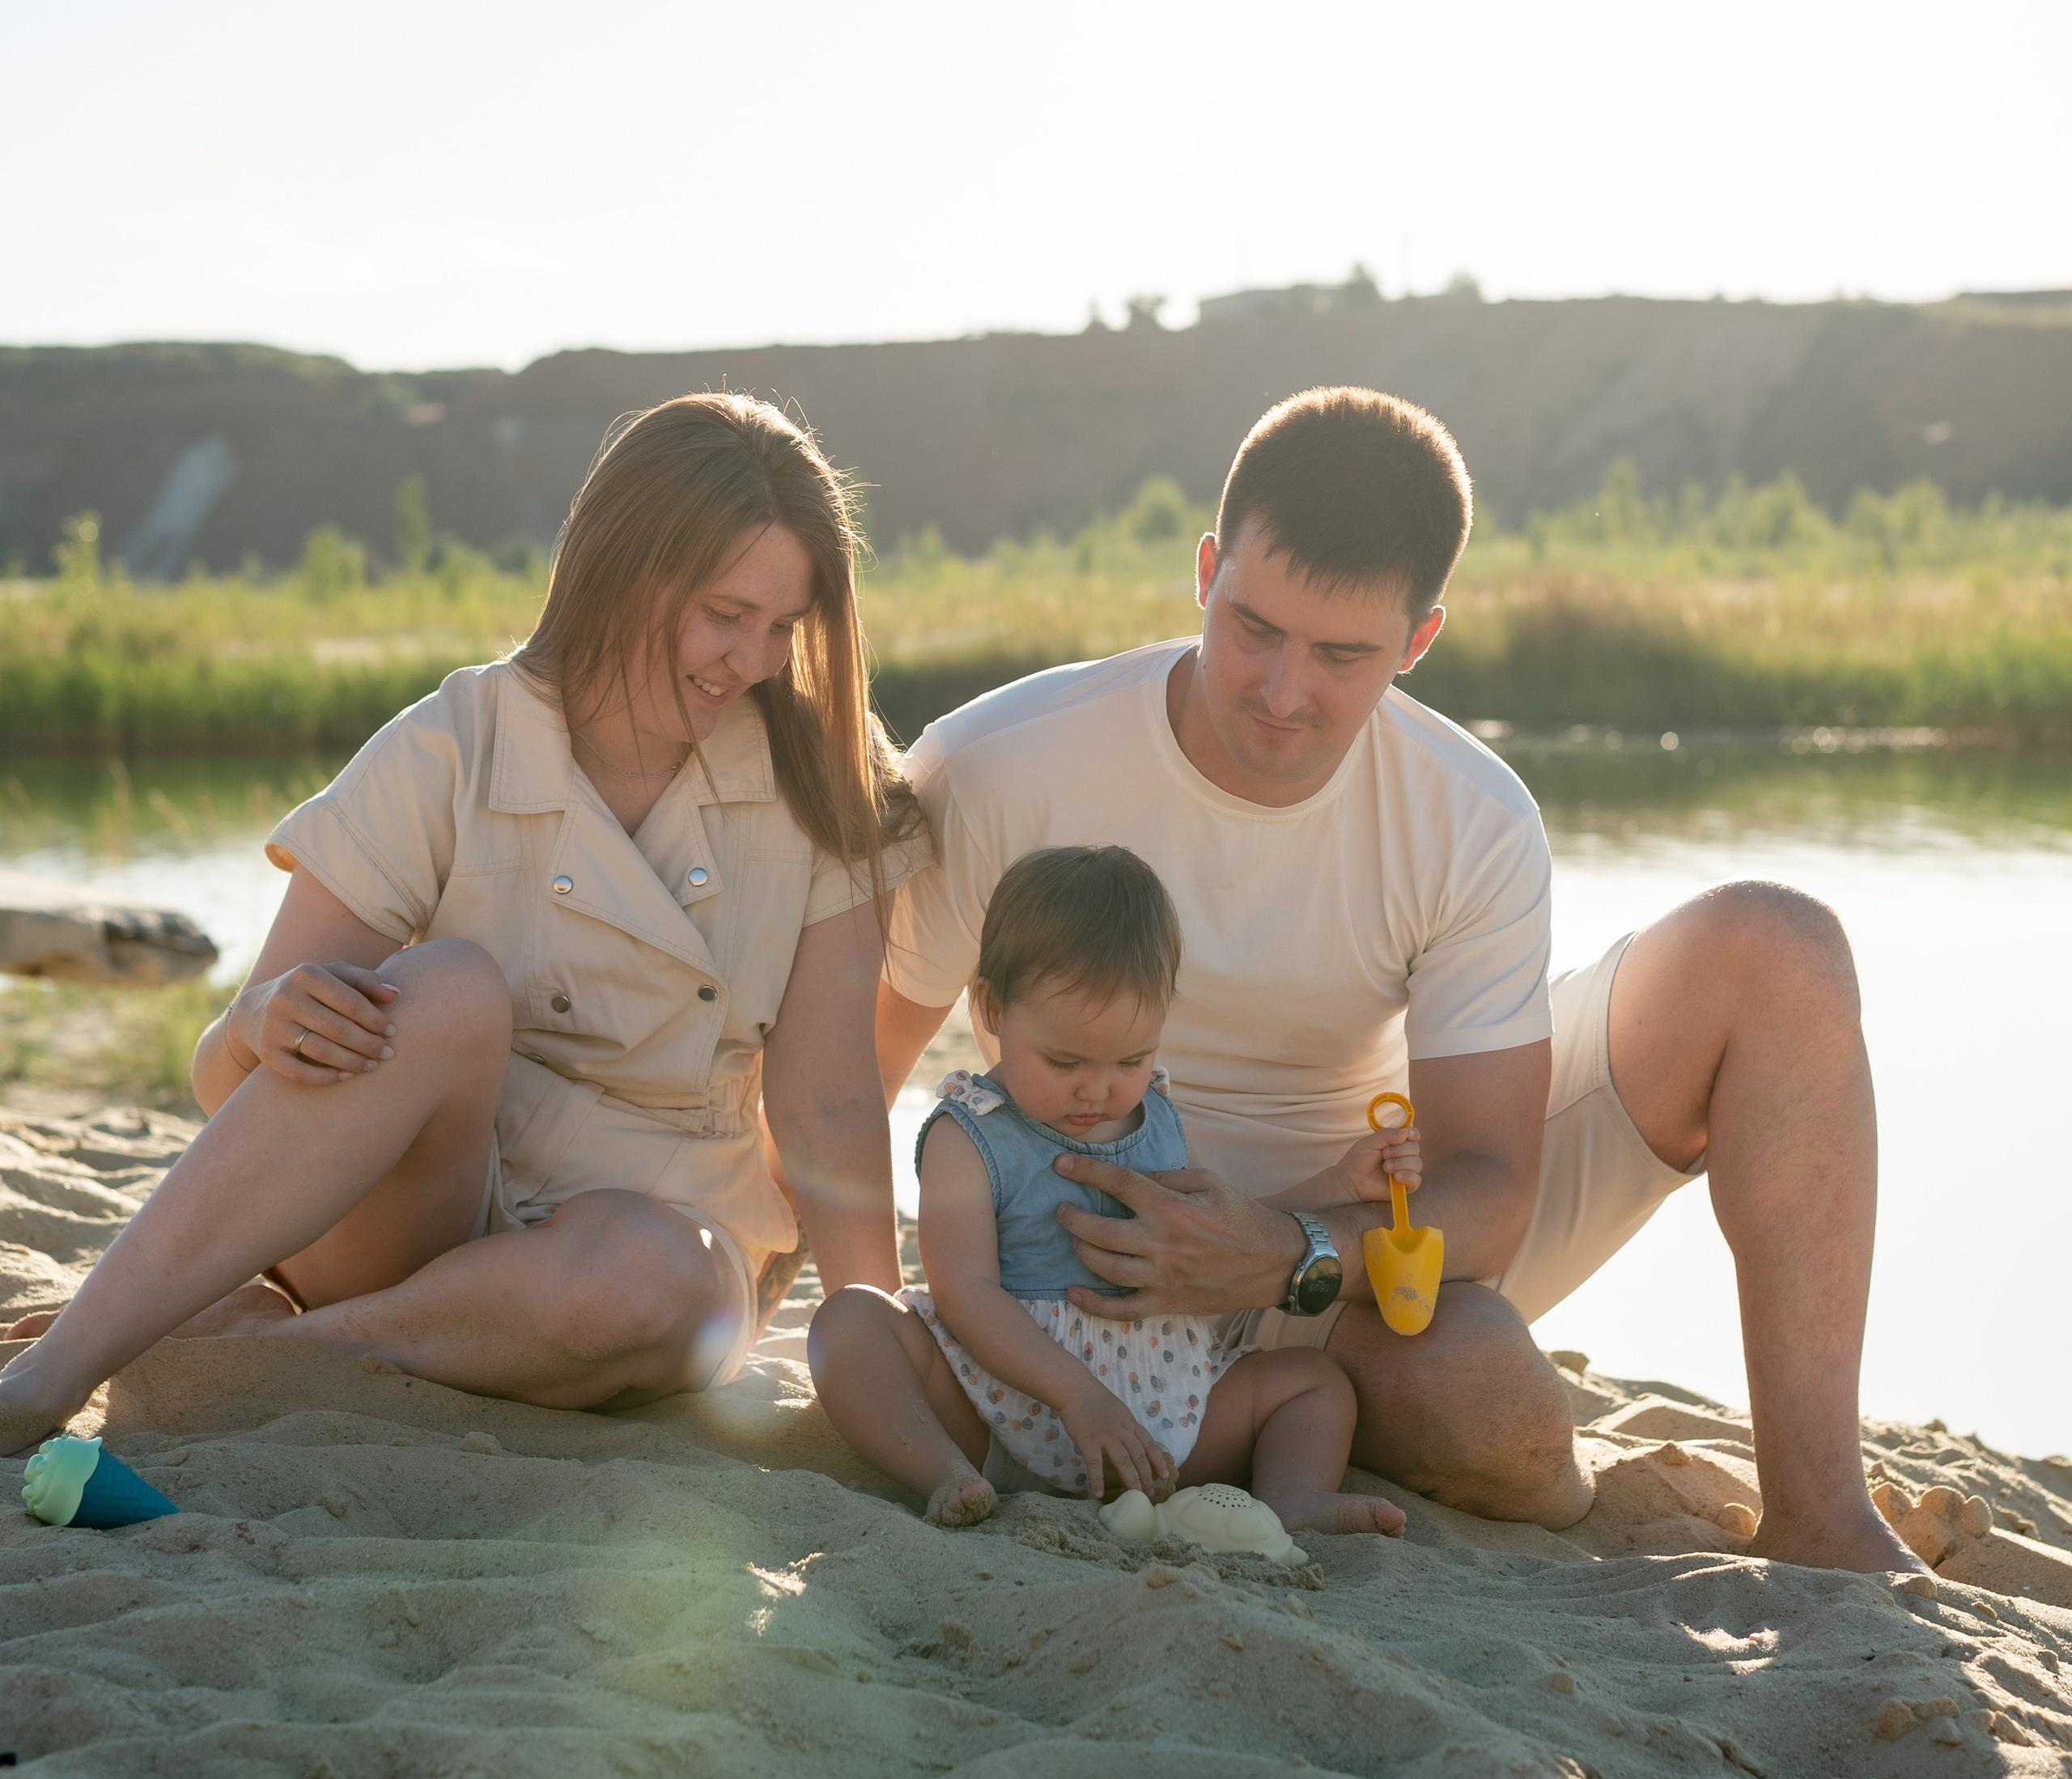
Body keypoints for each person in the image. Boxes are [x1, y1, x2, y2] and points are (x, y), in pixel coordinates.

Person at [873, 387, 1920, 1576]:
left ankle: (1825, 1518)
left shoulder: (1469, 814)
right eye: (1253, 625)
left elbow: (1490, 1189)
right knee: (1495, 1405)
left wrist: (1290, 1248)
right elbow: (857, 1080)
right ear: (1207, 571)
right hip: (1093, 1283)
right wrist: (893, 1342)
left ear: (1418, 640)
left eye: (1340, 654)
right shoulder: (1003, 761)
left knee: (1780, 948)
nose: (1281, 688)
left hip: (1351, 1241)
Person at [0, 395, 927, 1455]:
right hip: (404, 1219)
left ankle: (273, 1352)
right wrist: (266, 1016)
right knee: (445, 990)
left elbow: (828, 1093)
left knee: (652, 1280)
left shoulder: (824, 778)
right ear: (621, 566)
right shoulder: (454, 742)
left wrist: (873, 1326)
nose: (755, 658)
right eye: (727, 613)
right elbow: (228, 1078)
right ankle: (48, 1378)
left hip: (646, 1245)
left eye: (783, 623)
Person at [811, 841, 1417, 1537]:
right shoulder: (971, 1134)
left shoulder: (1155, 1113)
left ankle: (1292, 1496)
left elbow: (1223, 1224)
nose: (1098, 1089)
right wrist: (1078, 1395)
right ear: (992, 1008)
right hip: (1003, 1415)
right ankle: (946, 1472)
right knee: (850, 1323)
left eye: (1131, 1057)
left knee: (1315, 1384)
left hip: (1168, 1425)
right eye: (1063, 1060)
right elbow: (963, 1291)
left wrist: (1342, 1181)